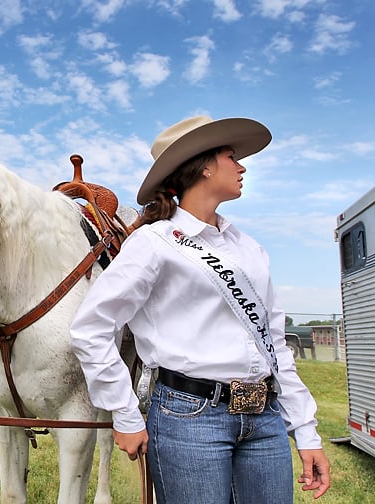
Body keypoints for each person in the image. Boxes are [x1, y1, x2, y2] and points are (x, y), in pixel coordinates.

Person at [70, 115, 331, 503]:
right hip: (189, 419)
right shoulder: (154, 242)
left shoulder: (250, 250)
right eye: (231, 156)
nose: (241, 166)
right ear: (204, 165)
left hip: (265, 417)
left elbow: (275, 345)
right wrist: (124, 412)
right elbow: (91, 327)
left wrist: (305, 431)